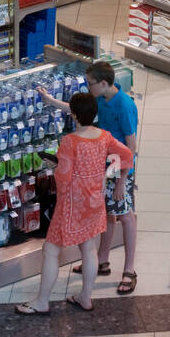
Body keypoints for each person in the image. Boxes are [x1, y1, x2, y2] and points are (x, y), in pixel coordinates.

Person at [15, 91, 133, 315]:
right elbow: (126, 155)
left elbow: (64, 176)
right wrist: (107, 173)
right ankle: (85, 297)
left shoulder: (70, 142)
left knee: (50, 250)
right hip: (95, 201)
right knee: (89, 248)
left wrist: (54, 168)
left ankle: (42, 301)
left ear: (75, 116)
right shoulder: (104, 136)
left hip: (71, 204)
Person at [42, 60, 140, 295]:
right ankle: (102, 260)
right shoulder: (100, 98)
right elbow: (79, 109)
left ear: (104, 83)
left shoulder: (124, 106)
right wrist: (51, 101)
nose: (88, 87)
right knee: (107, 214)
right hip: (103, 168)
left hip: (119, 168)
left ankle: (130, 270)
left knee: (125, 216)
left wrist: (120, 181)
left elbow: (131, 147)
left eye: (90, 83)